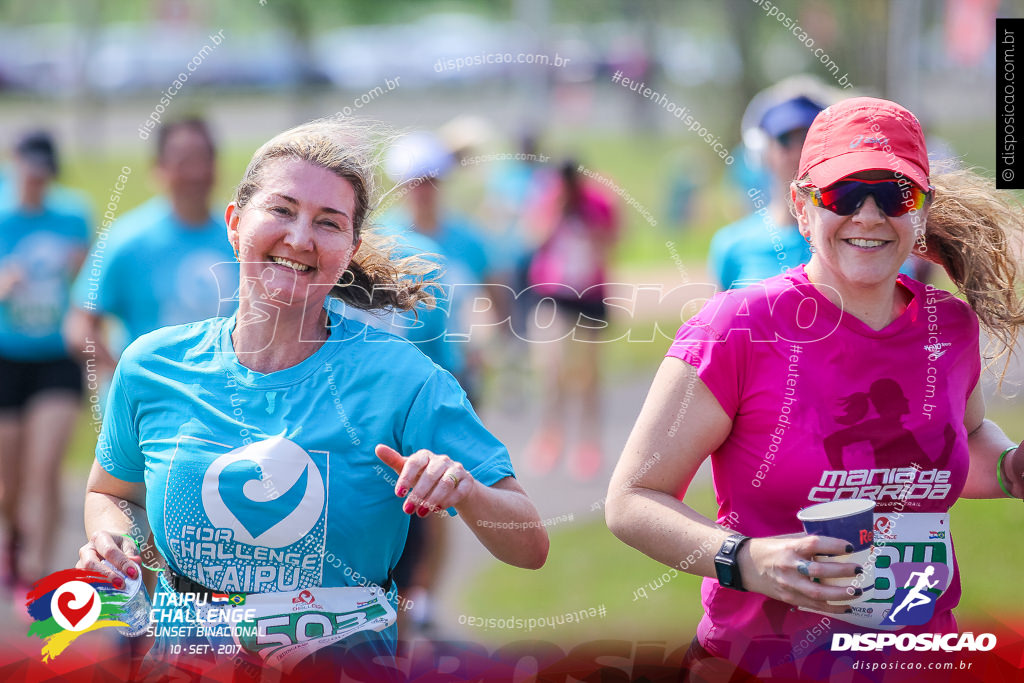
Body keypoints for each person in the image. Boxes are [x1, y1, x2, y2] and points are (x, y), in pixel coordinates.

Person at [75, 119, 548, 675]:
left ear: (348, 250)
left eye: (328, 223)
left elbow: (528, 544)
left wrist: (465, 489)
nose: (300, 238)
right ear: (234, 223)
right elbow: (112, 491)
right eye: (281, 210)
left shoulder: (403, 380)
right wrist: (116, 544)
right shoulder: (152, 365)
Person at [605, 97, 1024, 680]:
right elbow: (631, 499)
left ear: (922, 211)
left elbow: (959, 441)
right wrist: (745, 560)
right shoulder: (737, 328)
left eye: (895, 195)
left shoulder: (948, 326)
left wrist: (1009, 468)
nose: (870, 216)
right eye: (844, 195)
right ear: (803, 208)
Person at [63, 117, 237, 376]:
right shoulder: (127, 239)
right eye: (183, 162)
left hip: (223, 399)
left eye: (204, 159)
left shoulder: (240, 237)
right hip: (154, 405)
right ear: (159, 168)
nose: (196, 172)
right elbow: (80, 325)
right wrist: (124, 376)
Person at [0, 132, 89, 590]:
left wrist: (82, 269)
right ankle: (14, 536)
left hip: (57, 356)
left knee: (46, 464)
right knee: (8, 482)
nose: (35, 183)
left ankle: (43, 572)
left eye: (43, 176)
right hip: (6, 358)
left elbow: (91, 283)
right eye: (28, 173)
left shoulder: (73, 215)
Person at [524, 160, 620, 481]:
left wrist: (591, 226)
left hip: (590, 295)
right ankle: (550, 436)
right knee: (552, 371)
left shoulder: (598, 201)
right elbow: (533, 239)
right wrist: (557, 215)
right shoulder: (550, 198)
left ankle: (588, 443)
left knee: (588, 375)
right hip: (555, 295)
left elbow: (613, 242)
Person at [709, 93, 824, 290]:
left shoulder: (845, 240)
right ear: (764, 153)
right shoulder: (732, 245)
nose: (798, 152)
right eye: (786, 140)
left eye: (808, 140)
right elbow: (723, 318)